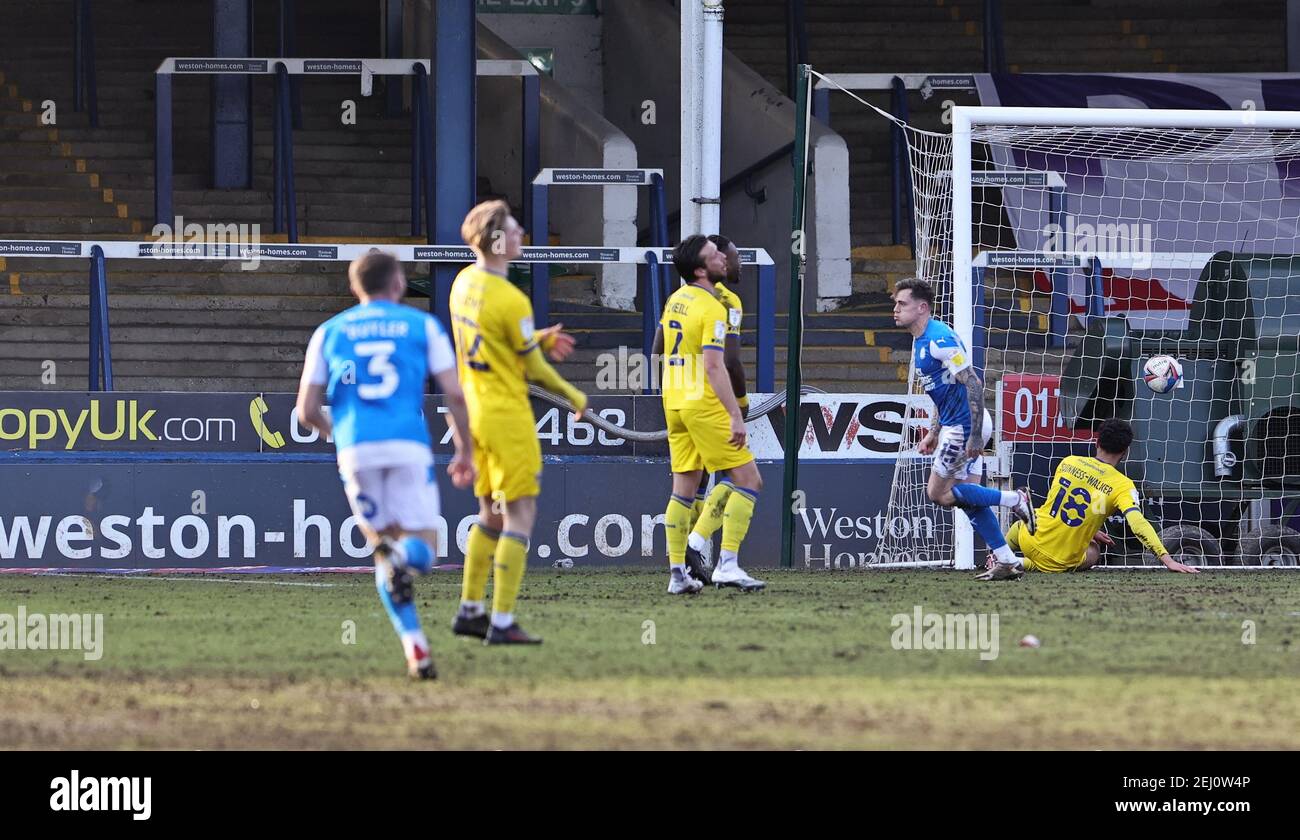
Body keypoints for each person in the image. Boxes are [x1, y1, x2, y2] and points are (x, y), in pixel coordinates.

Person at [296, 250, 474, 679]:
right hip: (407, 444)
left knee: (384, 555)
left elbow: (306, 410)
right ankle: (402, 565)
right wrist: (465, 449)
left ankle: (416, 649)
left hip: (356, 448)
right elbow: (455, 394)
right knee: (423, 554)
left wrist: (337, 436)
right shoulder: (422, 326)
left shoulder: (329, 331)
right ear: (398, 285)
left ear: (355, 287)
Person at [448, 200, 587, 644]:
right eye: (514, 228)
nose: (522, 231)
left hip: (475, 412)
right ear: (497, 239)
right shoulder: (512, 297)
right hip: (507, 416)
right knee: (520, 513)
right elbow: (535, 371)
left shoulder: (462, 282)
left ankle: (470, 610)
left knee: (489, 512)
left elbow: (494, 342)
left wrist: (536, 338)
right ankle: (503, 622)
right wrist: (573, 394)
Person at [891, 277, 1037, 568]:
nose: (895, 309)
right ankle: (1007, 560)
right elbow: (944, 391)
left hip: (964, 426)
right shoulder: (922, 340)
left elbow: (973, 382)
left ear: (922, 308)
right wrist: (934, 430)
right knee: (968, 500)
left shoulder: (939, 338)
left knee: (938, 493)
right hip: (957, 424)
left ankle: (1014, 499)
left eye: (901, 303)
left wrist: (971, 436)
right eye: (895, 303)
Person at [659, 235, 765, 593]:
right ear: (701, 269)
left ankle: (678, 576)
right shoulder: (714, 307)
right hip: (704, 403)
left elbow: (658, 349)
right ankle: (728, 565)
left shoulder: (676, 299)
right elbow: (716, 366)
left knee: (683, 491)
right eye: (714, 255)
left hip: (673, 400)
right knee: (749, 481)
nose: (723, 258)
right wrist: (736, 414)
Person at [978, 417, 1200, 578]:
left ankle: (999, 556)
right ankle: (1018, 563)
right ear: (1125, 452)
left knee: (1021, 525)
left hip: (1028, 536)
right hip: (1056, 559)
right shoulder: (1123, 485)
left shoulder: (1069, 462)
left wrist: (1091, 528)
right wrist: (1167, 559)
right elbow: (1138, 523)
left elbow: (1060, 508)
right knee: (1093, 550)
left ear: (1096, 443)